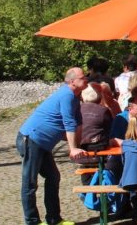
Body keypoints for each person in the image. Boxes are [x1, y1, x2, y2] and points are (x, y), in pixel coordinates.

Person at [17, 66, 87, 225]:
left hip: (43, 144)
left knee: (53, 177)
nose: (86, 79)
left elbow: (77, 125)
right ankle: (32, 221)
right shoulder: (67, 95)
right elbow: (68, 123)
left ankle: (54, 219)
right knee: (30, 183)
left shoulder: (75, 98)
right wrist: (73, 148)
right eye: (82, 77)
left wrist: (79, 144)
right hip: (31, 140)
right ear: (71, 81)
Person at [77, 85, 113, 154]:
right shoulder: (104, 110)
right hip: (99, 148)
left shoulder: (76, 109)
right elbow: (111, 129)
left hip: (79, 148)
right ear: (99, 96)